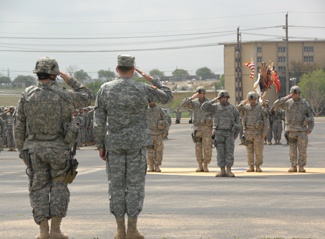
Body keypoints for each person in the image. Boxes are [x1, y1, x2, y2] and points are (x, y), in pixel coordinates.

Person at [93, 54, 172, 239]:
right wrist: (153, 80)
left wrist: (100, 145)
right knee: (135, 186)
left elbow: (98, 121)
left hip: (114, 144)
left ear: (116, 69)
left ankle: (120, 230)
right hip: (136, 145)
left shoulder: (105, 89)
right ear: (133, 69)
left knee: (116, 187)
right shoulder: (142, 88)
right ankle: (132, 229)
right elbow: (168, 97)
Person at [13, 57, 92, 239]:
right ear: (54, 74)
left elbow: (18, 125)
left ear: (38, 74)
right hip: (59, 149)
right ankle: (56, 230)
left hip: (34, 149)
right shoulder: (64, 95)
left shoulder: (27, 95)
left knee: (38, 188)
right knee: (59, 186)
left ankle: (43, 232)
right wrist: (70, 79)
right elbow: (87, 96)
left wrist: (21, 151)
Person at [273, 85, 314, 172]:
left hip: (302, 130)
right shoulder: (287, 103)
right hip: (291, 130)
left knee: (302, 150)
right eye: (294, 93)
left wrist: (310, 128)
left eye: (297, 93)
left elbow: (310, 116)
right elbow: (275, 104)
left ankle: (301, 166)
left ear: (299, 94)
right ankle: (293, 166)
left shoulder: (304, 103)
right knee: (292, 150)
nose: (295, 95)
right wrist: (287, 97)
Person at [201, 90, 240, 177]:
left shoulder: (232, 108)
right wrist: (214, 100)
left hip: (229, 133)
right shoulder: (215, 107)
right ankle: (222, 170)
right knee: (220, 152)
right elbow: (204, 107)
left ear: (227, 98)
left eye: (225, 97)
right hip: (219, 133)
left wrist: (237, 130)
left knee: (229, 152)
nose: (223, 99)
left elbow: (238, 118)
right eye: (221, 98)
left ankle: (229, 170)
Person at [181, 86, 213, 172]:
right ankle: (200, 165)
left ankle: (206, 164)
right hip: (197, 128)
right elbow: (183, 104)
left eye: (201, 93)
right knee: (198, 148)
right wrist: (192, 97)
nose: (200, 95)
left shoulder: (209, 102)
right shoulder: (194, 103)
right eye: (198, 93)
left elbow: (215, 113)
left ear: (204, 93)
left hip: (206, 128)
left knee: (207, 148)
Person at [237, 91, 269, 172]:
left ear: (256, 99)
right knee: (249, 151)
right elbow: (237, 109)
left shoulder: (260, 109)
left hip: (258, 133)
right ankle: (251, 166)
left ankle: (258, 166)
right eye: (250, 99)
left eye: (253, 99)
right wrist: (244, 102)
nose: (252, 101)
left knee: (258, 151)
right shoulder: (246, 108)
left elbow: (266, 121)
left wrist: (264, 132)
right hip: (248, 132)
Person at [146, 101, 168, 172]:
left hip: (158, 134)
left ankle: (157, 166)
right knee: (149, 151)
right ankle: (150, 166)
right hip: (148, 134)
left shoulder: (159, 110)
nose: (151, 102)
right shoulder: (145, 109)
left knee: (159, 151)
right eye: (149, 101)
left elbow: (165, 121)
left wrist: (164, 133)